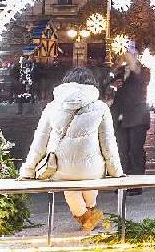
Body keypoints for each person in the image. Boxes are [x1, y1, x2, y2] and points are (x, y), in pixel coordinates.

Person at [20, 65, 122, 233]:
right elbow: (108, 144)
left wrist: (28, 170)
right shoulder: (101, 107)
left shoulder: (52, 107)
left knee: (69, 185)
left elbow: (39, 142)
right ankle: (90, 210)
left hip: (60, 168)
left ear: (66, 83)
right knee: (90, 177)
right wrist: (116, 171)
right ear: (92, 84)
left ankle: (85, 216)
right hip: (92, 170)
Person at [111, 47, 151, 193]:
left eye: (132, 53)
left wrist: (129, 58)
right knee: (122, 150)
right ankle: (122, 183)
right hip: (120, 116)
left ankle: (136, 184)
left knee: (135, 151)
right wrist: (113, 84)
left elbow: (137, 73)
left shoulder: (144, 70)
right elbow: (107, 84)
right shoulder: (120, 71)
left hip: (137, 117)